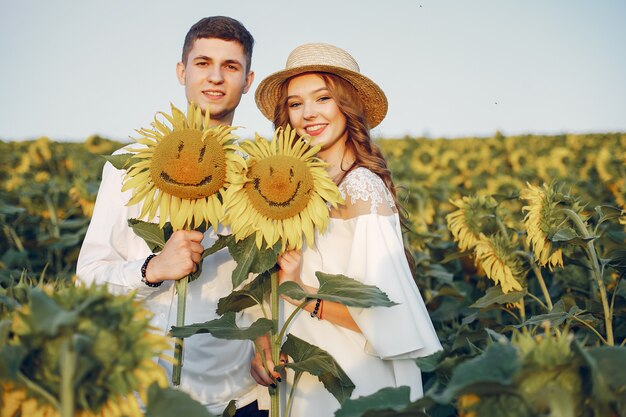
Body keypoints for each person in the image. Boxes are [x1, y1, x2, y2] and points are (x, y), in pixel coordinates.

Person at [76, 16, 267, 417]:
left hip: (234, 398)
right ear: (182, 71)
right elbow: (87, 280)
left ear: (248, 80)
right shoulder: (129, 167)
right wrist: (151, 269)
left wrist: (267, 337)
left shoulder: (260, 178)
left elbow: (264, 282)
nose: (215, 77)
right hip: (140, 395)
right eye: (203, 63)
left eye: (230, 66)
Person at [250, 43, 443, 415]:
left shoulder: (360, 188)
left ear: (347, 105)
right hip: (303, 376)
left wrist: (303, 295)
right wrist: (262, 341)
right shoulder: (293, 187)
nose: (308, 114)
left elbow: (388, 309)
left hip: (354, 379)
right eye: (295, 103)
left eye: (322, 98)